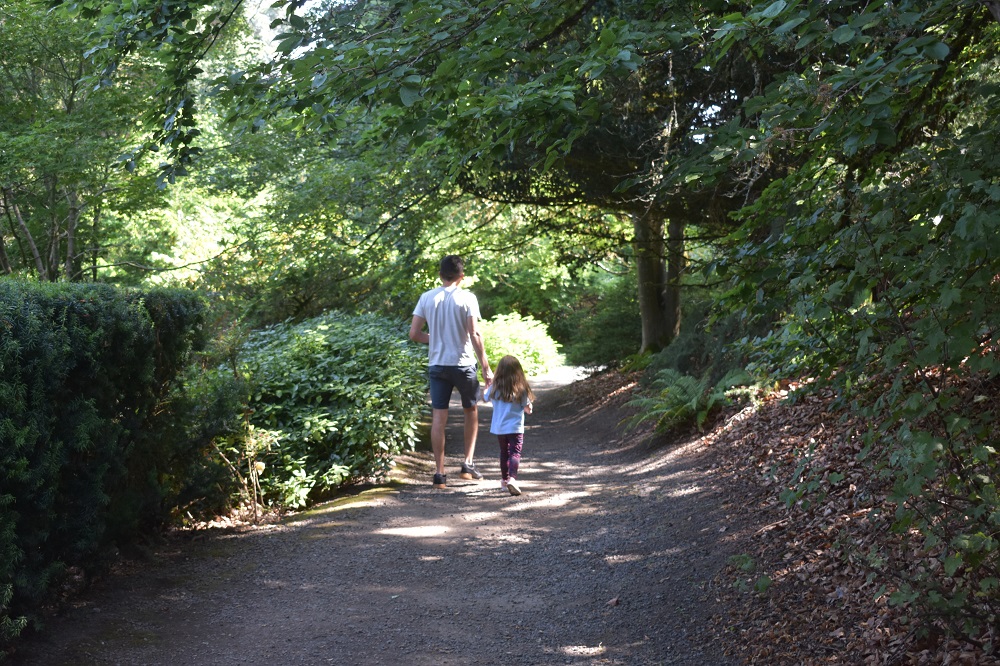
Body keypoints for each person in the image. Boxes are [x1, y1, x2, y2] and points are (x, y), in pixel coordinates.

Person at [409, 255, 493, 488]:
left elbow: (414, 334)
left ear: (440, 275)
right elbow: (475, 334)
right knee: (471, 410)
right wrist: (486, 367)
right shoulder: (467, 298)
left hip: (437, 365)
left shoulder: (426, 298)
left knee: (439, 417)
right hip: (463, 364)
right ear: (461, 277)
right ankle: (467, 464)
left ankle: (439, 474)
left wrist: (435, 339)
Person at [483, 355, 534, 496]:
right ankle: (512, 478)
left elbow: (485, 397)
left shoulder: (494, 388)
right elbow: (528, 410)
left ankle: (504, 481)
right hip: (516, 428)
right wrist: (529, 406)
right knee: (515, 453)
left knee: (504, 453)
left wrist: (487, 386)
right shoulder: (521, 389)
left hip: (500, 428)